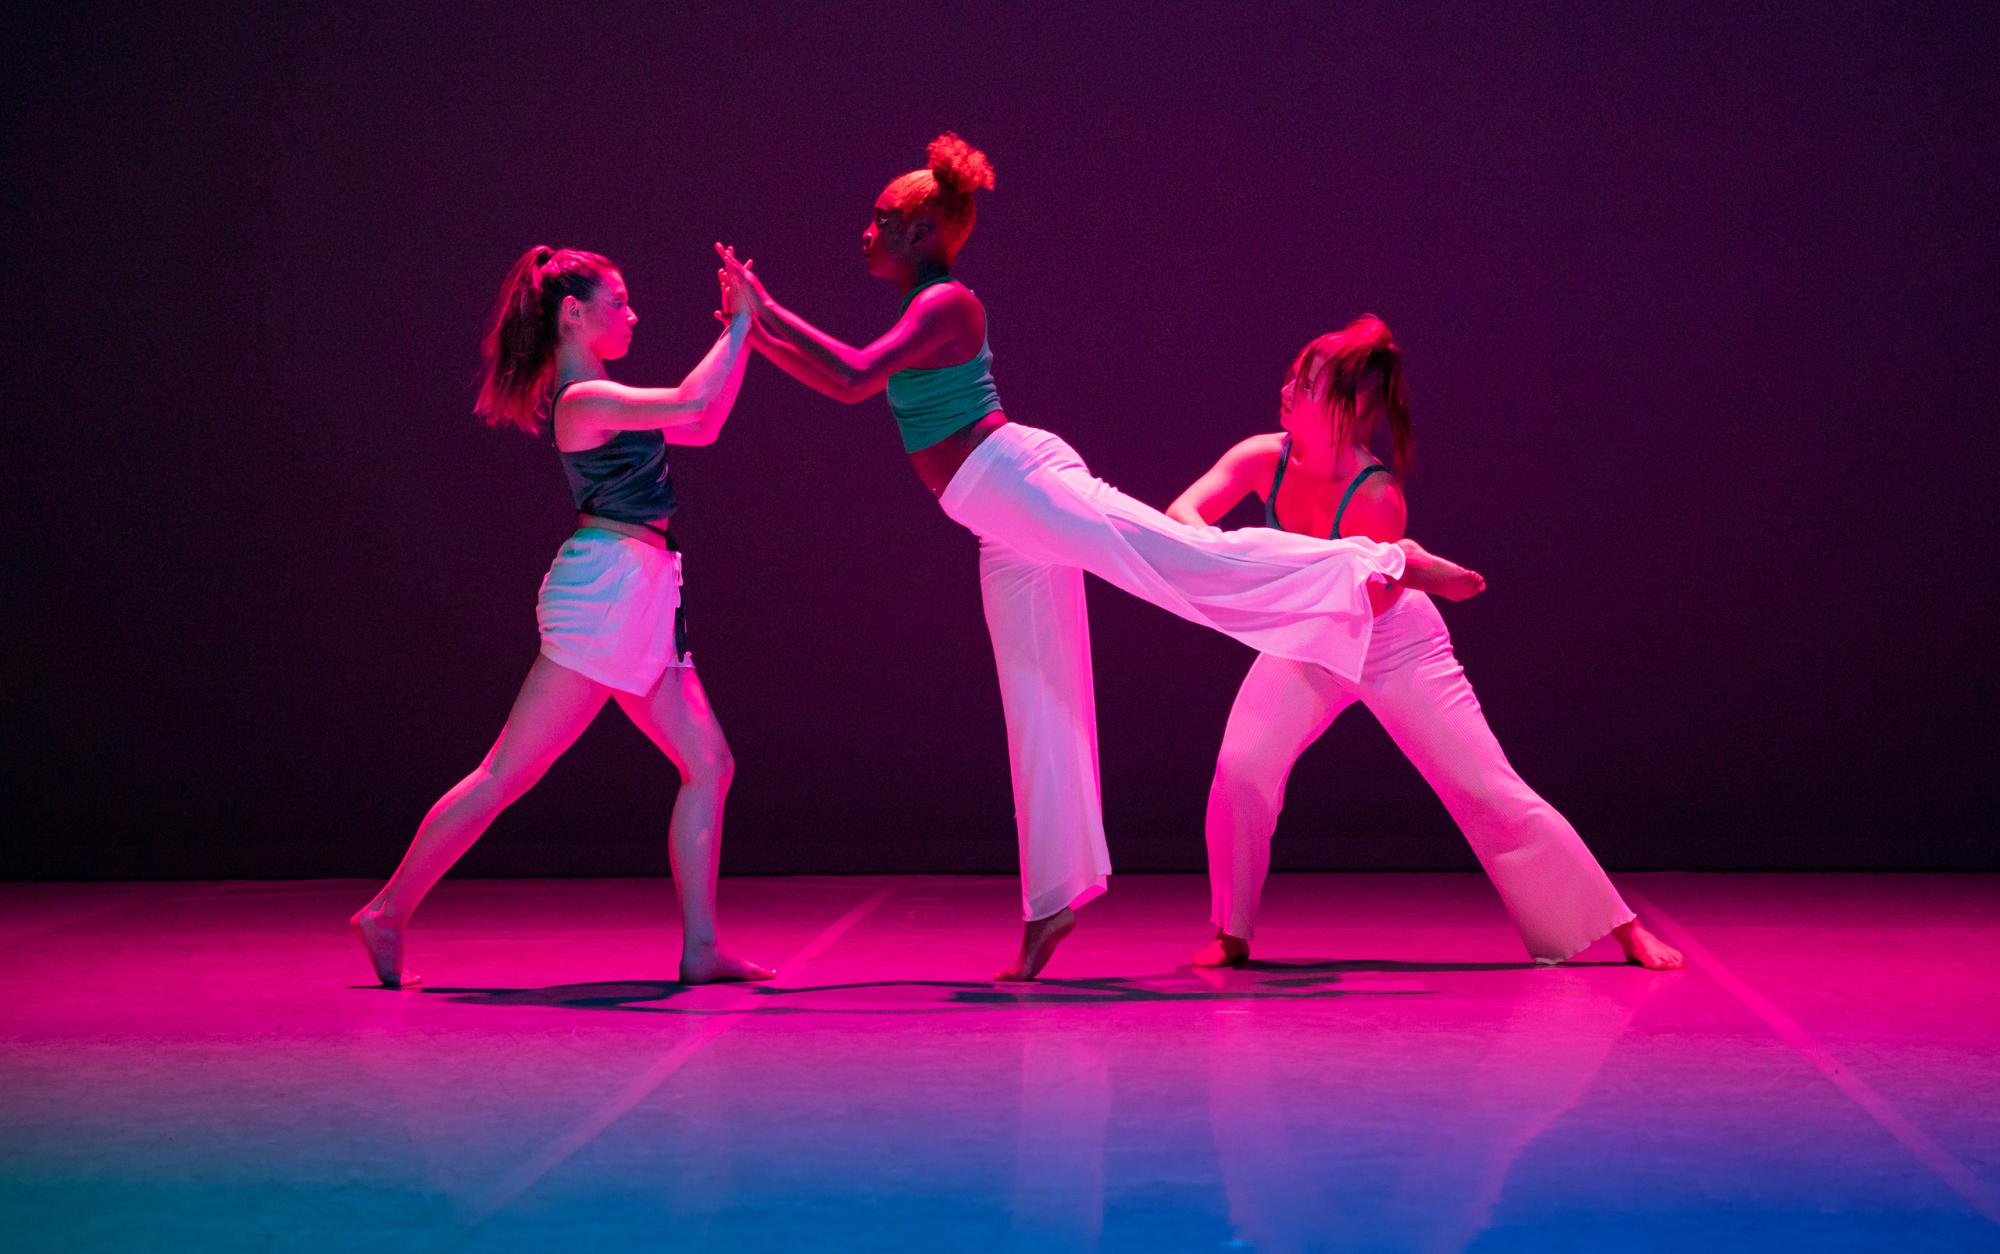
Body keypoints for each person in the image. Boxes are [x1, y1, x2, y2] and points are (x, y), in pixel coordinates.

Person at [716, 135, 1484, 980]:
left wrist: (766, 314)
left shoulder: (948, 304)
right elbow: (843, 382)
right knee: (1037, 690)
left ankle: (1386, 564)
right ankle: (1055, 900)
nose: (866, 231)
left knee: (1184, 560)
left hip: (1020, 483)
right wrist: (757, 333)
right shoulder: (923, 303)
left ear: (927, 230)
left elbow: (857, 376)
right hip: (994, 517)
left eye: (883, 219)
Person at [1165, 315, 1682, 969]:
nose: (1286, 386)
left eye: (1305, 381)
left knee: (1486, 788)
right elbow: (1183, 519)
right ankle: (1231, 931)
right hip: (1306, 639)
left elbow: (1366, 601)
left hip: (1393, 642)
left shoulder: (1376, 494)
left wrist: (1369, 570)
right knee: (1241, 771)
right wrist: (1237, 555)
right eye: (1293, 374)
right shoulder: (1259, 458)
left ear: (1347, 408)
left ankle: (1620, 927)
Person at [349, 245, 773, 988]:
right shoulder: (583, 402)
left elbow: (702, 426)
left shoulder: (608, 396)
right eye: (619, 301)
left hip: (640, 594)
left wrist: (742, 332)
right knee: (505, 774)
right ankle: (387, 911)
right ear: (573, 315)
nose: (633, 314)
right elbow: (691, 403)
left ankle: (701, 947)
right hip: (607, 594)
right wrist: (738, 327)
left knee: (708, 764)